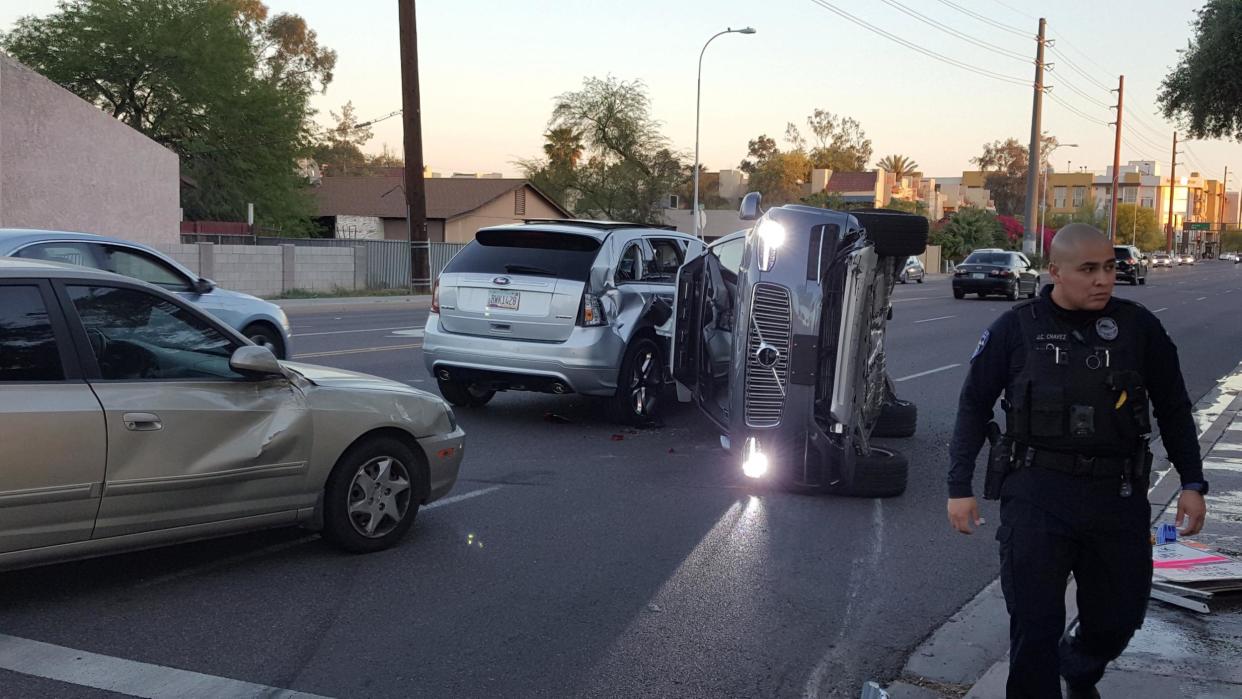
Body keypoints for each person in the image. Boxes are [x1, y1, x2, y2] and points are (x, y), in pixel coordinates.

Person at [945, 224, 1209, 699]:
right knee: (1034, 626)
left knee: (1119, 617)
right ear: (1056, 272)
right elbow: (973, 406)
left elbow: (1173, 406)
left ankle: (1081, 664)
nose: (1103, 279)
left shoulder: (1138, 327)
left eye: (1108, 267)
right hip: (1036, 493)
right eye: (1088, 270)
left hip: (1116, 496)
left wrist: (1192, 481)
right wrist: (958, 487)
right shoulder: (1016, 328)